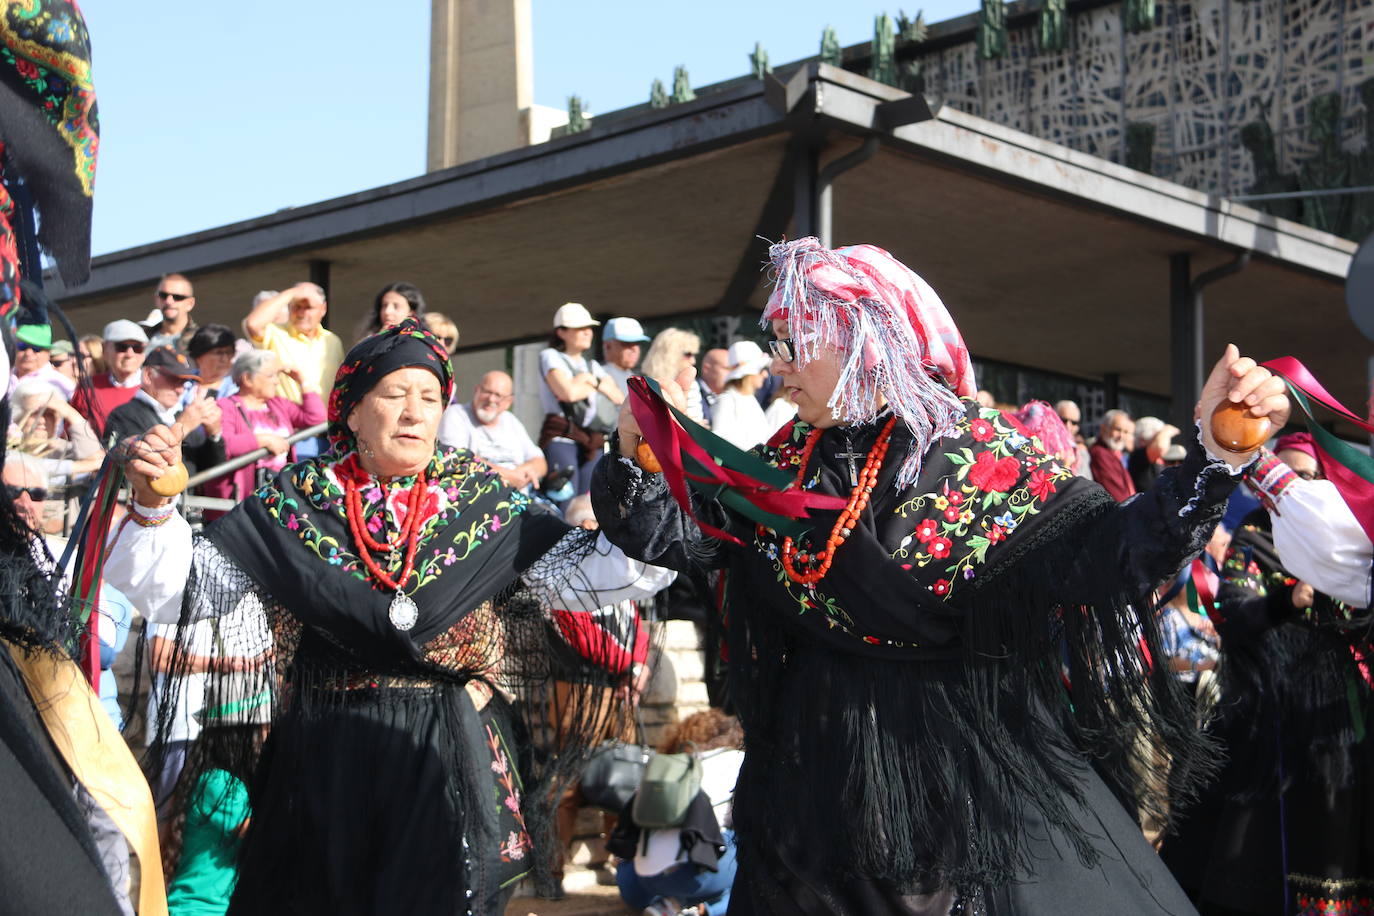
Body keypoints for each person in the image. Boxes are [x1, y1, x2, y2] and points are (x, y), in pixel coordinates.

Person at [593, 237, 1290, 915]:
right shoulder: (789, 456)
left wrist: (1215, 452)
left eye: (799, 341)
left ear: (871, 340)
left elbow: (1114, 558)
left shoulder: (984, 458)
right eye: (777, 342)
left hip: (943, 791)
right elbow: (689, 538)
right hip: (803, 792)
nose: (780, 365)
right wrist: (635, 451)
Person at [103, 318, 678, 915]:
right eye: (396, 395)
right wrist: (153, 506)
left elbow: (604, 573)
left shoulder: (478, 497)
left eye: (430, 398)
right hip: (327, 742)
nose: (414, 412)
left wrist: (643, 459)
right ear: (352, 412)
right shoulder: (296, 498)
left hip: (444, 743)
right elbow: (181, 591)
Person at [1160, 434, 1374, 914]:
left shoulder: (1344, 535)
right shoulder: (1256, 531)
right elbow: (1235, 614)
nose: (1303, 485)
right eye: (1293, 474)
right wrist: (1287, 600)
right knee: (1249, 836)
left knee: (1337, 816)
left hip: (1334, 705)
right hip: (1267, 703)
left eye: (1314, 476)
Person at [610, 709, 744, 916]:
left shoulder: (664, 769)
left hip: (644, 879)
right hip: (700, 876)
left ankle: (670, 905)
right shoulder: (737, 760)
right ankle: (704, 911)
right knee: (747, 848)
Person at [163, 685, 270, 916]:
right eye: (263, 728)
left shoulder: (231, 782)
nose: (268, 735)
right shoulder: (218, 783)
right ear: (241, 735)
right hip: (199, 909)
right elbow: (260, 833)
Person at [205, 350, 325, 504]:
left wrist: (303, 382)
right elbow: (223, 445)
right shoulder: (226, 406)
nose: (277, 381)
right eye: (270, 376)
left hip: (278, 492)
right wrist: (262, 441)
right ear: (247, 379)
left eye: (277, 376)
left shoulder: (278, 404)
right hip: (241, 498)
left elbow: (316, 419)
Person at [538, 302, 624, 499]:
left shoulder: (592, 366)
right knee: (563, 499)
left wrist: (586, 380)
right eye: (579, 328)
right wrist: (597, 384)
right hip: (562, 435)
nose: (587, 332)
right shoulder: (550, 356)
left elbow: (617, 397)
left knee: (587, 503)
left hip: (593, 442)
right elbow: (568, 393)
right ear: (561, 332)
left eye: (588, 328)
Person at [104, 346, 225, 476]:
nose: (180, 390)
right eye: (173, 380)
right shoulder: (124, 415)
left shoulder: (181, 414)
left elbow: (212, 472)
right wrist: (183, 426)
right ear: (148, 375)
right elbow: (137, 469)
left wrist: (214, 435)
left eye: (184, 382)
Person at [437, 370, 546, 490]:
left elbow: (540, 462)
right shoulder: (456, 414)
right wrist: (510, 476)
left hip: (519, 499)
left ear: (508, 402)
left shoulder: (510, 420)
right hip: (478, 497)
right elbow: (456, 458)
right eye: (487, 392)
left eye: (498, 395)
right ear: (477, 390)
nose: (491, 399)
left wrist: (524, 473)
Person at [241, 281, 343, 406]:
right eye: (297, 307)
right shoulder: (276, 333)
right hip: (290, 421)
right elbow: (252, 324)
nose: (301, 313)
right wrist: (292, 292)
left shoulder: (332, 340)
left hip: (327, 421)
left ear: (323, 309)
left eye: (308, 308)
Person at [72, 319, 148, 438]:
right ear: (105, 349)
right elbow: (71, 431)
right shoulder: (88, 387)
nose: (130, 354)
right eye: (122, 347)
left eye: (137, 348)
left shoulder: (156, 387)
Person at [710, 340, 772, 450]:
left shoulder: (749, 398)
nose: (765, 374)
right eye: (761, 369)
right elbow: (719, 438)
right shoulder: (727, 399)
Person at [643, 328, 704, 423]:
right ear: (670, 354)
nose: (693, 361)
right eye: (688, 354)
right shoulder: (643, 383)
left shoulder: (691, 383)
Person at [13, 321, 74, 399]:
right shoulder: (5, 376)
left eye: (36, 348)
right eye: (22, 346)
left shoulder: (60, 384)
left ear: (48, 353)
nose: (28, 353)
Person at [1089, 408, 1136, 501]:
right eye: (1118, 429)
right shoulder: (1100, 453)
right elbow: (1118, 495)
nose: (1121, 436)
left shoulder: (1114, 453)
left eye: (1125, 432)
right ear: (1103, 429)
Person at [360, 281, 427, 340]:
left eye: (396, 306)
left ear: (412, 312)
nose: (387, 312)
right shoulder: (367, 341)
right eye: (384, 305)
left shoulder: (421, 342)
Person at [188, 325, 240, 400]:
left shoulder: (237, 388)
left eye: (229, 352)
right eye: (218, 353)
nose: (225, 359)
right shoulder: (182, 382)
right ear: (199, 355)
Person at [602, 316, 651, 396]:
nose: (634, 349)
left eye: (637, 343)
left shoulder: (639, 379)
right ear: (608, 346)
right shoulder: (599, 375)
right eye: (626, 343)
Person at [698, 348, 730, 427]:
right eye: (727, 368)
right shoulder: (691, 392)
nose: (731, 374)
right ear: (707, 369)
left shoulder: (732, 396)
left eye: (733, 370)